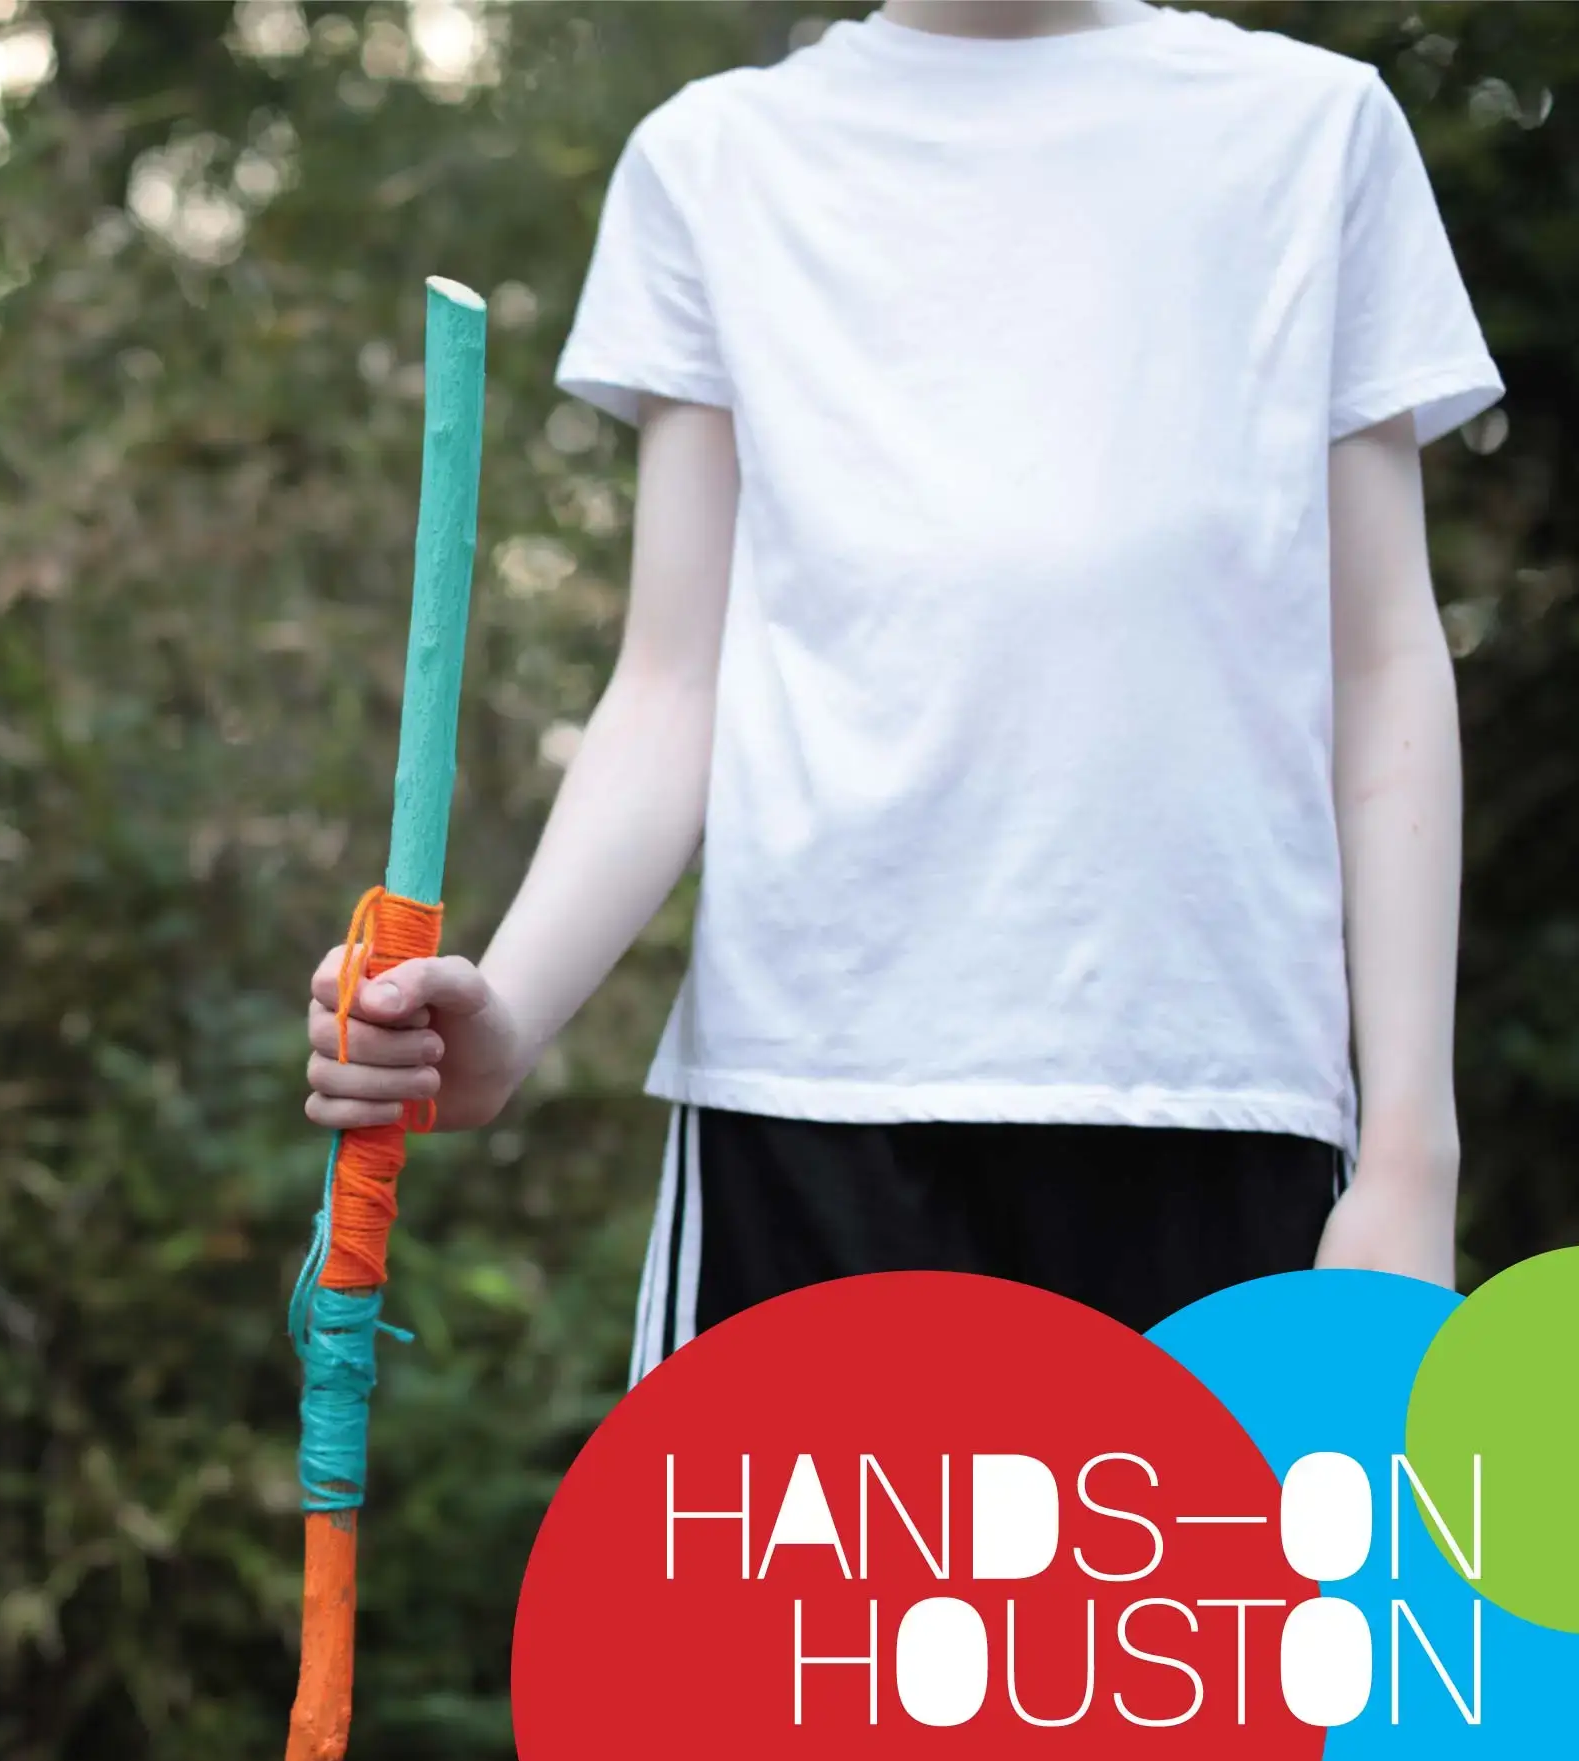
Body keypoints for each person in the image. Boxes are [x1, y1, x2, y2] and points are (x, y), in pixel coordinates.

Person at [303, 0, 1504, 1381]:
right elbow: (675, 681)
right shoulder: (716, 160)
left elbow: (1385, 660)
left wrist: (1412, 1158)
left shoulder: (1317, 131)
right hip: (809, 1116)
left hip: (1226, 1104)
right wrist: (502, 1021)